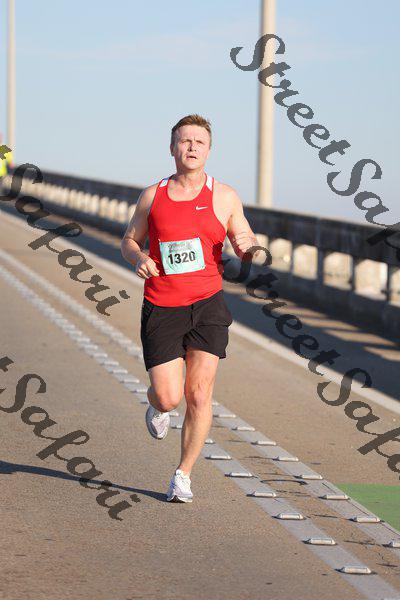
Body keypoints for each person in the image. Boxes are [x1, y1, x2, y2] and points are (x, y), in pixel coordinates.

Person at [121, 114, 259, 502]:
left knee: (199, 393)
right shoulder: (153, 196)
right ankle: (157, 406)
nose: (192, 147)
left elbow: (243, 233)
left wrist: (248, 248)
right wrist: (138, 257)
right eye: (185, 141)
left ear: (209, 150)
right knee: (169, 397)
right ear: (172, 148)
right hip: (162, 304)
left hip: (208, 305)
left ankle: (183, 474)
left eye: (199, 142)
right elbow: (129, 240)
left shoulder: (224, 196)